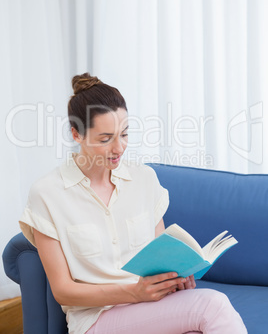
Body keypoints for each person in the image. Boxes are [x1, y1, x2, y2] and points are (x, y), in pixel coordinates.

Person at [19, 73, 247, 334]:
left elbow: (161, 255)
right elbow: (63, 291)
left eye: (124, 134)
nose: (119, 148)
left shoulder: (144, 179)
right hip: (97, 318)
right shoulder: (47, 193)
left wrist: (174, 279)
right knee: (213, 305)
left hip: (152, 307)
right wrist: (134, 292)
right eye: (105, 139)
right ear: (76, 134)